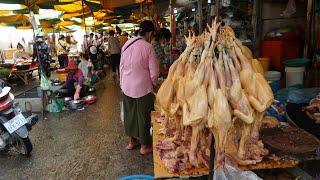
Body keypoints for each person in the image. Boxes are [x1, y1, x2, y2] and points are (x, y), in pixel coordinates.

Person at [120, 20, 159, 155]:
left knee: (130, 114)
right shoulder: (148, 47)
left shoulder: (126, 44)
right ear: (149, 33)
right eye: (152, 35)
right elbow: (154, 73)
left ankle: (132, 141)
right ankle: (144, 146)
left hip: (126, 85)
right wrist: (155, 84)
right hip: (143, 87)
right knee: (144, 116)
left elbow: (121, 67)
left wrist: (122, 84)